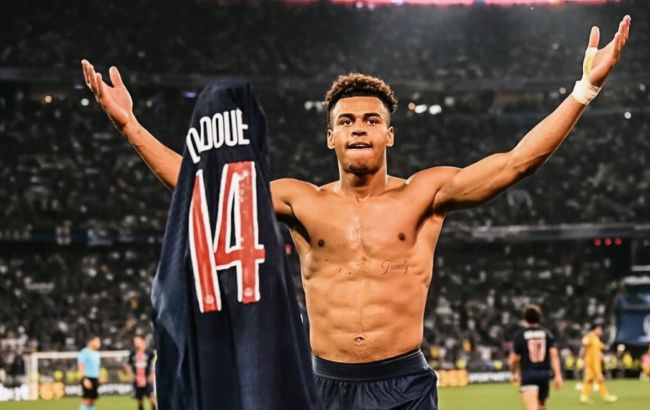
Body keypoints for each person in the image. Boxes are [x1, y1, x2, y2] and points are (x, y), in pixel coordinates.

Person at [81, 16, 631, 410]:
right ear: (331, 137)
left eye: (371, 120)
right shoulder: (302, 200)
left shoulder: (426, 193)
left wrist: (585, 88)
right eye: (346, 121)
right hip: (324, 385)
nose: (359, 128)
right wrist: (131, 127)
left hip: (405, 384)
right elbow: (205, 188)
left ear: (390, 134)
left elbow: (516, 163)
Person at [509, 305, 563, 410]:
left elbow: (515, 359)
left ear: (525, 319)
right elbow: (554, 355)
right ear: (539, 318)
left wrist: (514, 373)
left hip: (528, 374)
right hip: (544, 374)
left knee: (532, 407)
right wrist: (558, 375)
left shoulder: (520, 335)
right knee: (541, 407)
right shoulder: (546, 333)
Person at [579, 324, 618, 404]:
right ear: (595, 329)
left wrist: (604, 358)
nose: (601, 331)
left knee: (589, 379)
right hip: (591, 363)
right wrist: (581, 359)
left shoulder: (596, 339)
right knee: (599, 378)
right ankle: (606, 396)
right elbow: (584, 347)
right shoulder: (589, 337)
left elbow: (598, 351)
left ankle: (584, 397)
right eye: (599, 329)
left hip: (596, 363)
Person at [124, 335, 156, 410]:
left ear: (143, 341)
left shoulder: (150, 352)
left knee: (151, 398)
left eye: (137, 341)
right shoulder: (133, 353)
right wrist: (130, 374)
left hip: (147, 379)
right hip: (137, 380)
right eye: (135, 341)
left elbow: (156, 363)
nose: (136, 343)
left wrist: (153, 374)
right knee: (139, 399)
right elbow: (127, 364)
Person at [78, 336, 101, 410]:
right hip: (88, 378)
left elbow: (96, 367)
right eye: (97, 341)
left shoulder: (96, 353)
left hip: (95, 378)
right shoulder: (84, 352)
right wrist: (84, 379)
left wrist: (98, 377)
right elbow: (81, 366)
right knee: (87, 400)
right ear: (91, 342)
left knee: (93, 400)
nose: (99, 343)